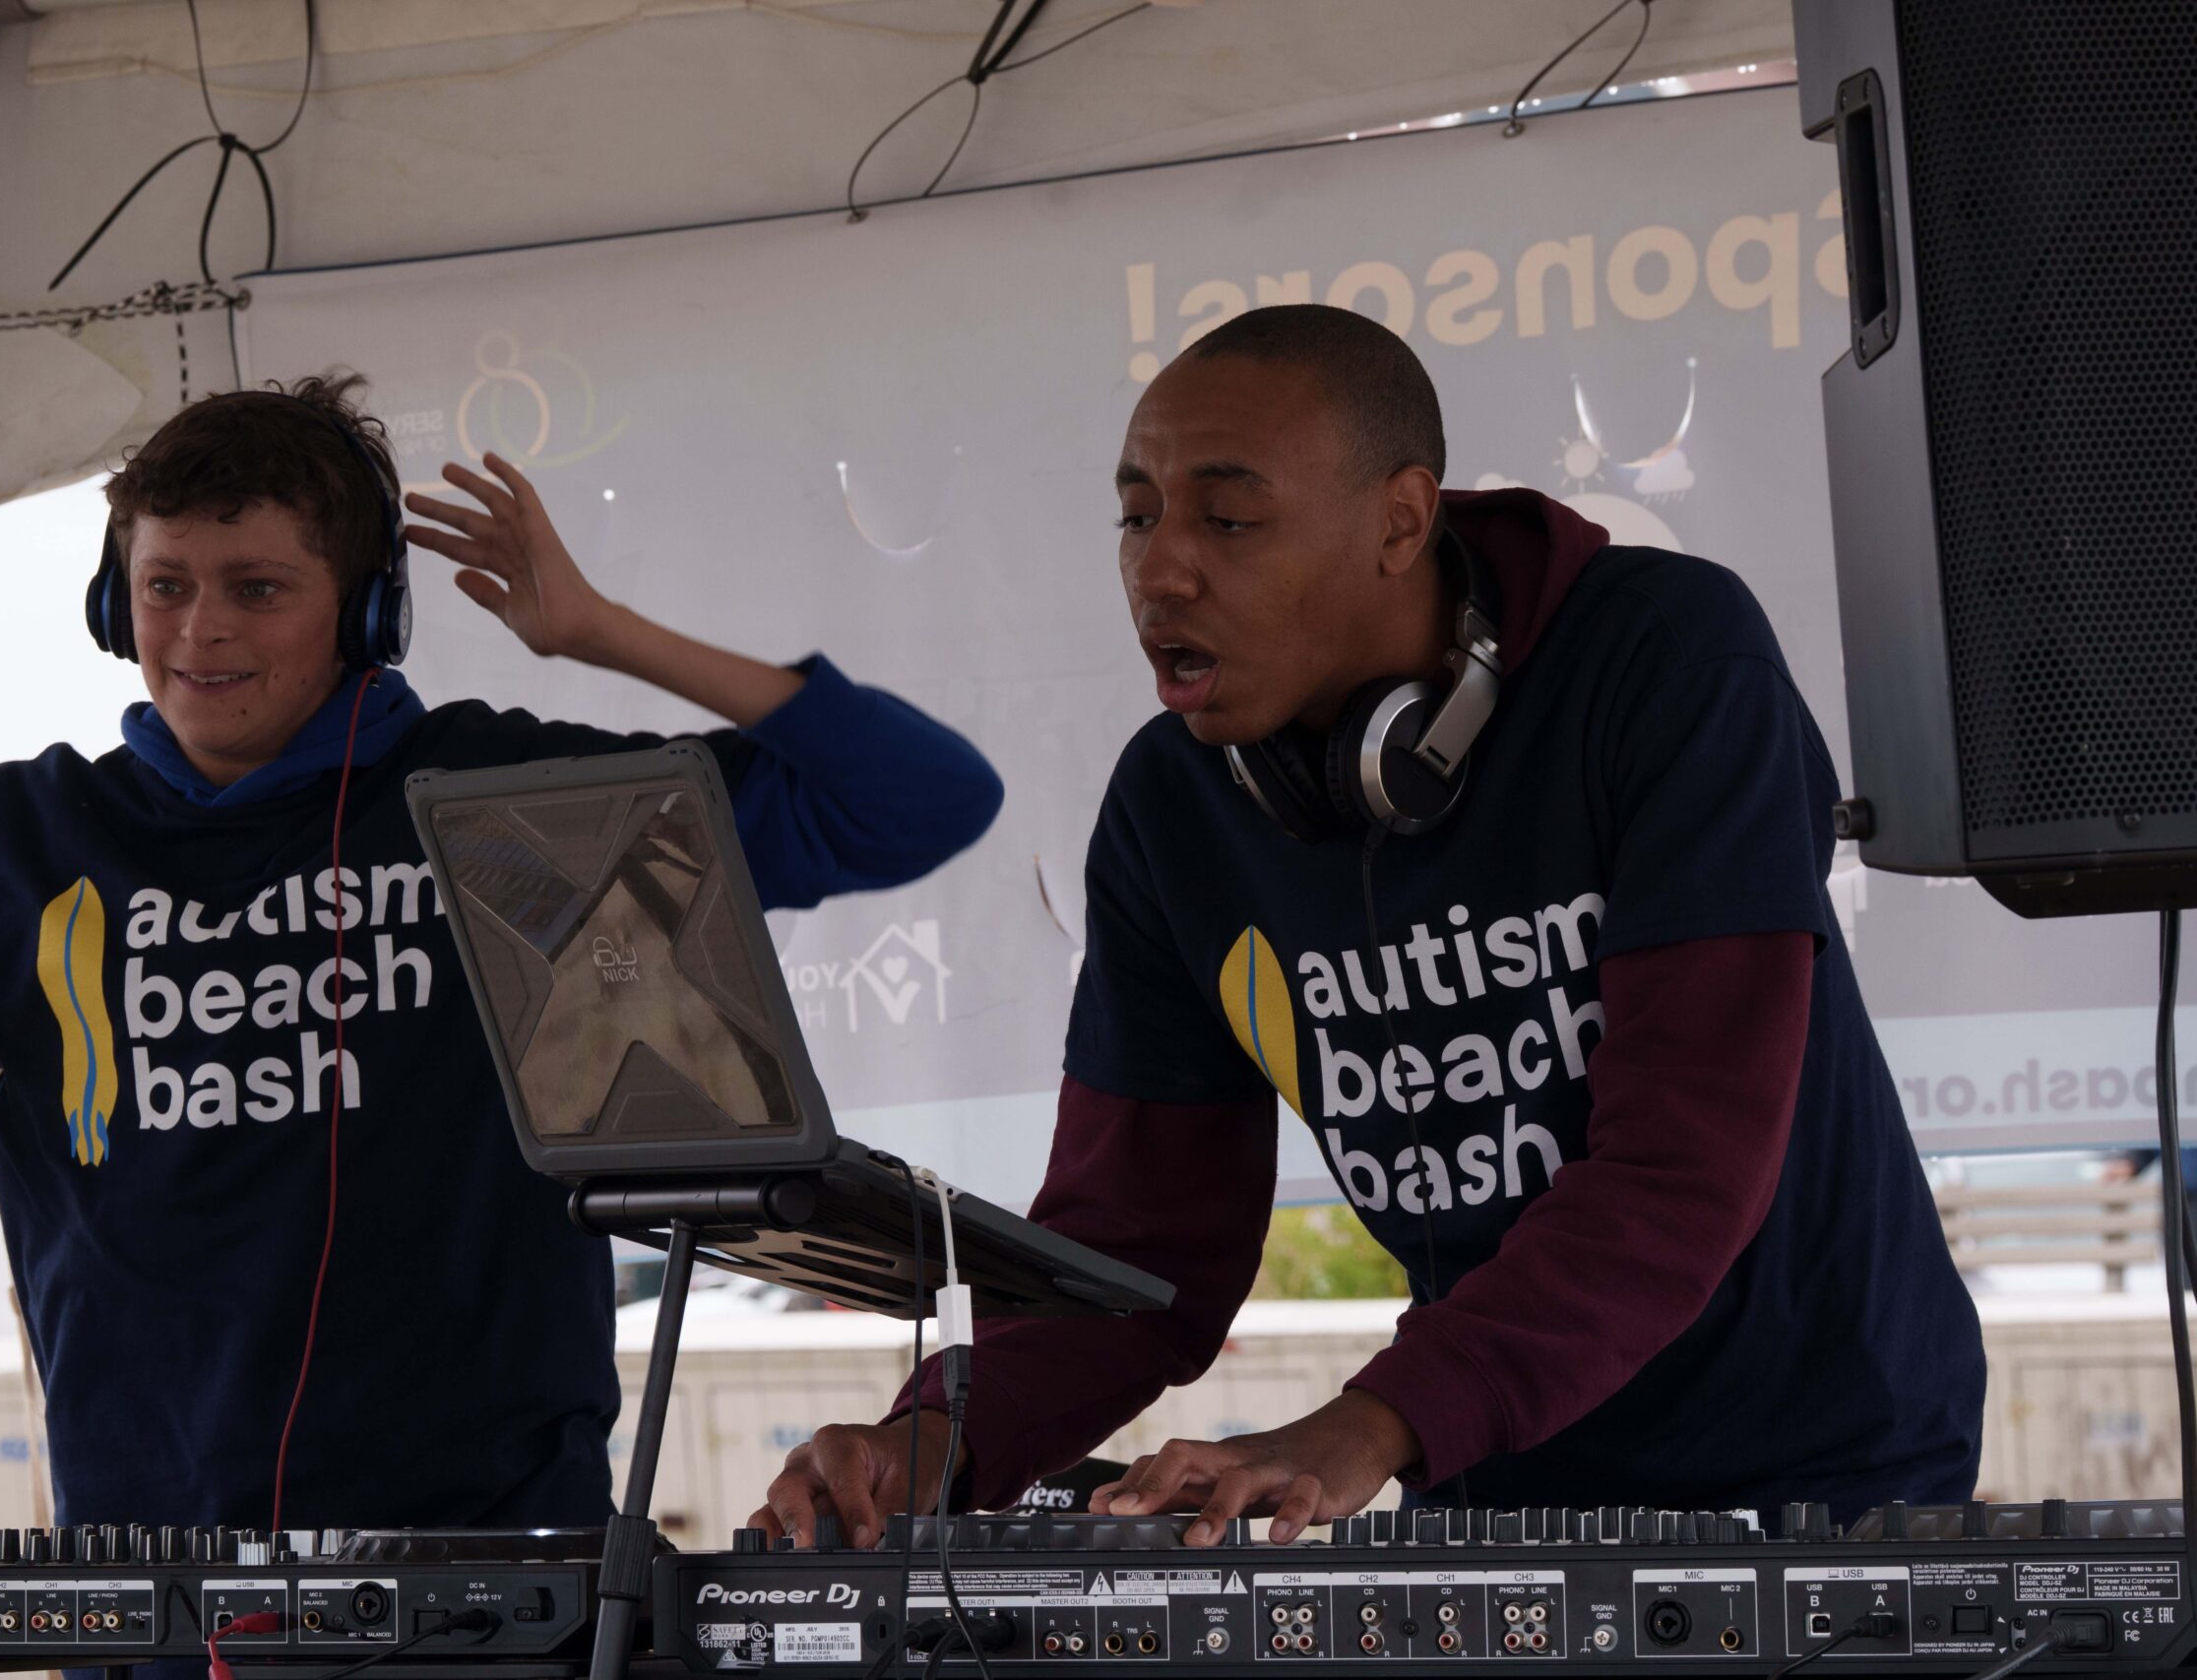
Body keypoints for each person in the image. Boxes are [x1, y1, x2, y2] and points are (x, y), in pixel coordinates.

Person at [0, 375, 1003, 1539]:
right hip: (151, 1579)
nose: (199, 630)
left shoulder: (516, 806)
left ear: (367, 613)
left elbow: (921, 800)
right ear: (112, 602)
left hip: (489, 1569)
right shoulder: (21, 842)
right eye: (164, 585)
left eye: (257, 588)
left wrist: (598, 629)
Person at [760, 304, 1984, 1545]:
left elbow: (1681, 1163)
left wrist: (1366, 1424)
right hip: (1490, 1473)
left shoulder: (1666, 662)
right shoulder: (1174, 805)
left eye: (1226, 519)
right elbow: (1137, 1240)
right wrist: (938, 1437)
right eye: (1137, 516)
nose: (1159, 569)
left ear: (1401, 521)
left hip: (1820, 1472)